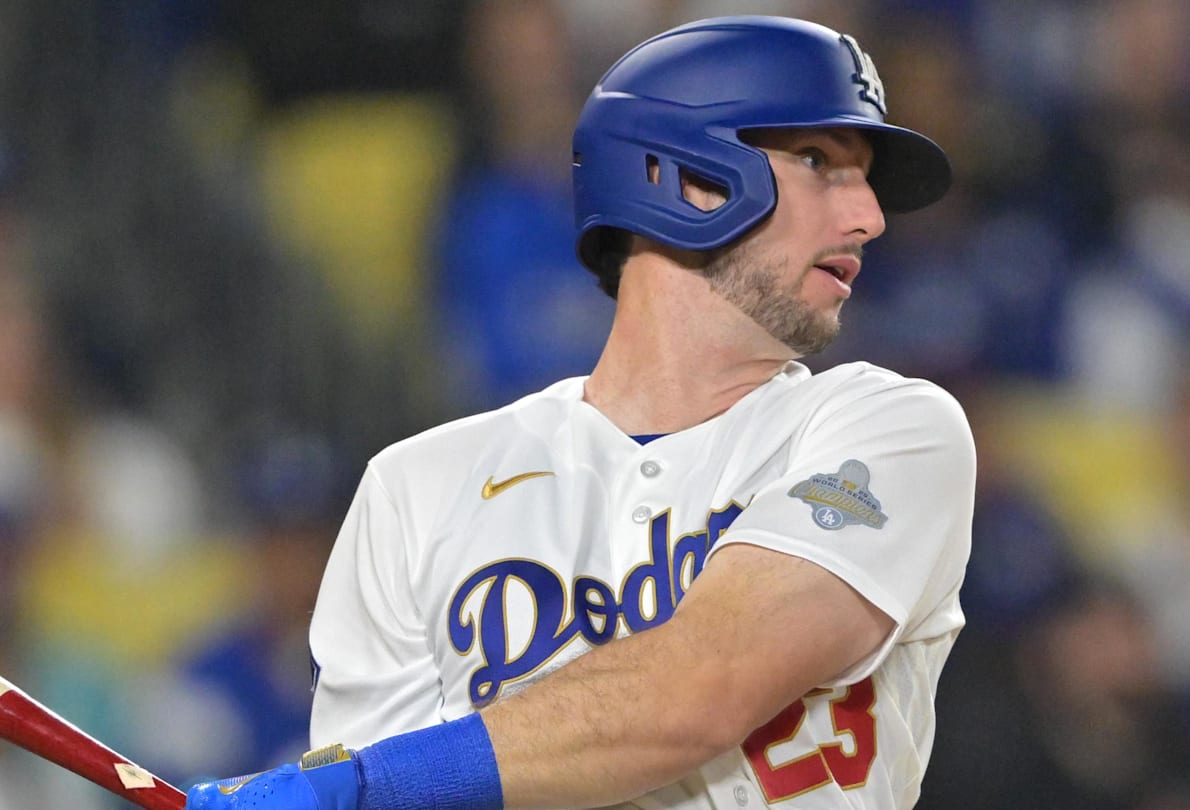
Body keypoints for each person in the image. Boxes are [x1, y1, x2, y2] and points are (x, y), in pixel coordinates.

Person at [187, 14, 974, 810]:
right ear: (688, 178)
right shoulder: (416, 490)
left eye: (865, 177)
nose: (870, 217)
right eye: (819, 163)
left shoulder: (889, 432)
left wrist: (364, 784)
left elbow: (703, 684)